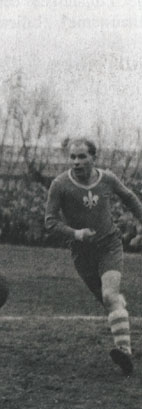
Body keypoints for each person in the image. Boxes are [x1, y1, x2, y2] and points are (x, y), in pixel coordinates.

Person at [45, 137, 142, 376]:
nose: (76, 162)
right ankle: (122, 320)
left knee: (110, 295)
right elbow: (50, 222)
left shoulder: (107, 179)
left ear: (93, 157)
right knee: (110, 302)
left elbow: (129, 198)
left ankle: (124, 352)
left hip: (109, 245)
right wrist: (76, 233)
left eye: (82, 156)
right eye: (72, 157)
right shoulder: (60, 185)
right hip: (81, 254)